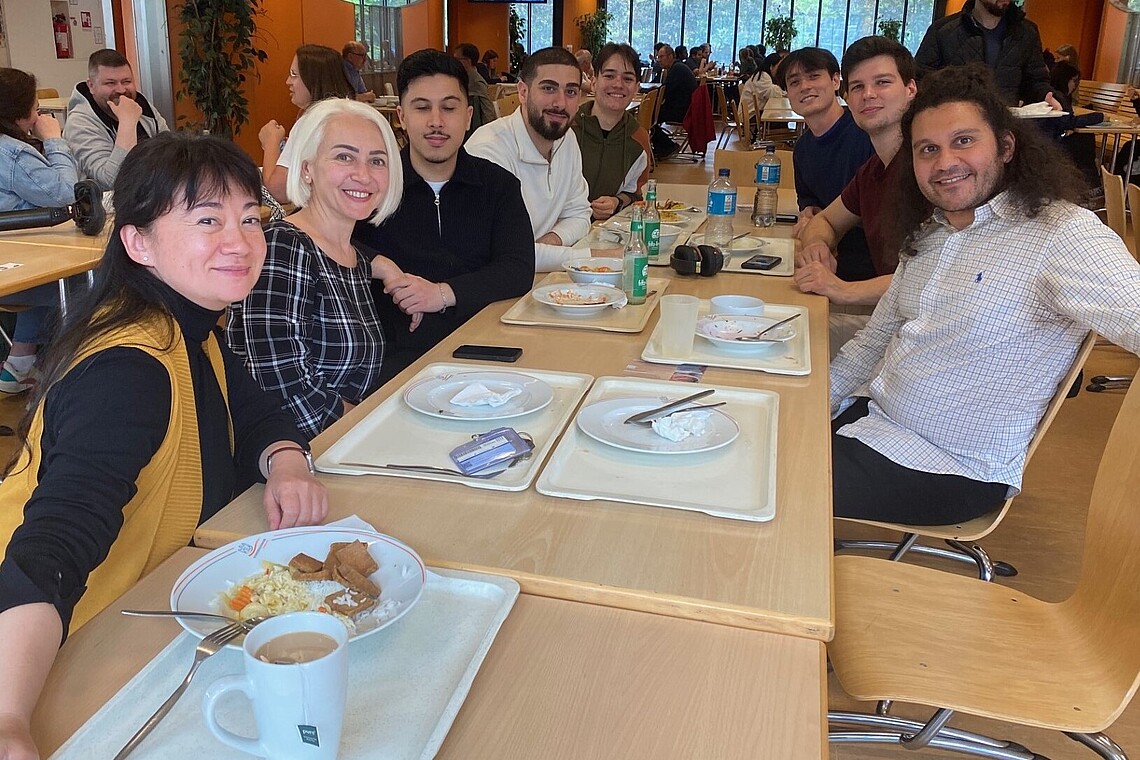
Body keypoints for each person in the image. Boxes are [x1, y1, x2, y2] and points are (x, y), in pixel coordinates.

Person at [0, 132, 329, 760]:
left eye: (250, 219)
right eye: (208, 219)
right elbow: (57, 542)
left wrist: (287, 461)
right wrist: (9, 716)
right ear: (137, 241)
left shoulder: (187, 320)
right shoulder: (130, 366)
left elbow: (253, 406)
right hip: (64, 634)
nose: (240, 241)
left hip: (154, 600)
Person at [831, 63, 1140, 524]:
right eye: (927, 149)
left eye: (964, 141)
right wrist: (818, 402)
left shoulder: (1061, 234)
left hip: (947, 468)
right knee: (753, 431)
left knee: (769, 475)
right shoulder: (930, 234)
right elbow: (874, 341)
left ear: (1007, 145)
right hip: (874, 420)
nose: (944, 163)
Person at [352, 50, 535, 382]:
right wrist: (382, 266)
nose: (436, 121)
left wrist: (441, 294)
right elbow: (331, 245)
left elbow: (518, 269)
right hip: (394, 362)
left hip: (489, 350)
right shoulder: (372, 186)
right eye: (422, 108)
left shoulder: (498, 185)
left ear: (467, 117)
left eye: (448, 108)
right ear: (401, 116)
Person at [228, 99, 405, 439]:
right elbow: (279, 384)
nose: (363, 174)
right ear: (307, 168)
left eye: (377, 160)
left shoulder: (349, 254)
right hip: (291, 461)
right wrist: (370, 432)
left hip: (339, 445)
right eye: (344, 156)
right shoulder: (282, 248)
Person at [794, 37, 917, 318]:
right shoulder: (872, 170)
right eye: (858, 86)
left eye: (882, 82)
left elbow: (932, 275)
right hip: (888, 321)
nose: (868, 94)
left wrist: (843, 290)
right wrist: (817, 247)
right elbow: (824, 220)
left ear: (911, 89)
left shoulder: (927, 169)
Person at [466, 46, 598, 271]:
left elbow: (579, 214)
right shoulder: (488, 151)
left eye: (571, 91)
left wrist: (548, 243)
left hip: (537, 276)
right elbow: (500, 253)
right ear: (523, 92)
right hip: (491, 294)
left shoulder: (567, 141)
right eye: (549, 88)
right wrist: (591, 257)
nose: (561, 103)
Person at [0, 68, 80, 394]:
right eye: (34, 106)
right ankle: (66, 373)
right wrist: (54, 139)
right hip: (19, 271)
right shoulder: (12, 152)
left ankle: (19, 365)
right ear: (21, 113)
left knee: (56, 270)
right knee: (88, 278)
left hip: (13, 262)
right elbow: (66, 192)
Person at [776, 48, 875, 282]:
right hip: (825, 254)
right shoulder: (802, 149)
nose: (805, 87)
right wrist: (809, 211)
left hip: (866, 266)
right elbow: (807, 197)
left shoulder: (865, 133)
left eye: (813, 76)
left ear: (835, 80)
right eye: (794, 82)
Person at [914, 0, 1061, 108]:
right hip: (955, 127)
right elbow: (921, 80)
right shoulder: (942, 32)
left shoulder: (1027, 33)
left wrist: (1046, 96)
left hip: (1006, 128)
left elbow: (1035, 81)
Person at [260, 44, 355, 203]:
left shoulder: (311, 122)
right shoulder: (352, 117)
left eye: (294, 74)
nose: (288, 81)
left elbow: (279, 190)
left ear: (313, 79)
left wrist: (271, 142)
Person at [64, 49, 169, 191]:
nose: (121, 90)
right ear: (91, 86)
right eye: (110, 83)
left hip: (152, 195)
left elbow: (171, 155)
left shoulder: (142, 106)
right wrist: (127, 123)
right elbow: (111, 181)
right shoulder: (79, 122)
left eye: (126, 81)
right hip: (108, 207)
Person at [571, 43, 651, 221]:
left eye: (627, 79)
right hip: (557, 233)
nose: (618, 84)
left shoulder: (638, 139)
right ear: (593, 82)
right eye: (609, 75)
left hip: (602, 233)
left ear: (636, 88)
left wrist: (617, 202)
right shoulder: (567, 128)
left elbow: (636, 196)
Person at [652, 44, 698, 159]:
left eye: (661, 57)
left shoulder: (677, 69)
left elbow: (664, 91)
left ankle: (668, 146)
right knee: (652, 115)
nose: (659, 60)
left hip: (683, 112)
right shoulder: (677, 67)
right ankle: (662, 147)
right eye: (658, 57)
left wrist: (645, 92)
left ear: (670, 56)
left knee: (648, 116)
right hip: (686, 108)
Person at [453, 43, 495, 134]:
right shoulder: (460, 78)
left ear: (467, 61)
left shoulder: (476, 82)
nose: (454, 63)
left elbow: (488, 110)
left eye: (457, 59)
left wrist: (488, 133)